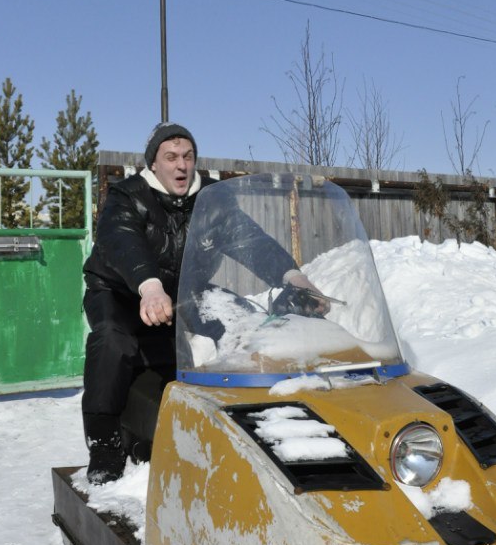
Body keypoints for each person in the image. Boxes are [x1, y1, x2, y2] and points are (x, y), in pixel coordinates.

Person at [81, 122, 325, 484]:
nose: (181, 166)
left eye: (188, 156)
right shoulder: (127, 195)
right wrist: (149, 287)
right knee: (113, 340)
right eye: (171, 157)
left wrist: (293, 277)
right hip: (121, 290)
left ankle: (255, 424)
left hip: (181, 292)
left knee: (241, 322)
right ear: (153, 164)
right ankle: (104, 442)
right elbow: (121, 241)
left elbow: (250, 241)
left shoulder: (212, 200)